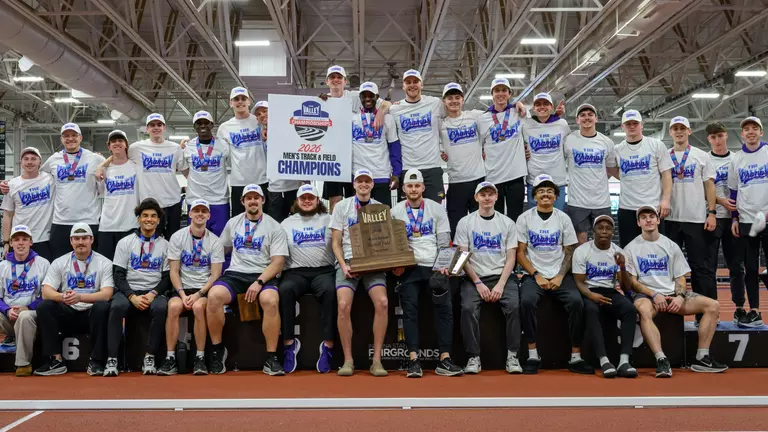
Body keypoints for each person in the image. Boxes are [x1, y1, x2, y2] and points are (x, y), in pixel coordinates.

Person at [624, 205, 728, 377]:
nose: (648, 220)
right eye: (644, 217)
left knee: (713, 305)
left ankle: (702, 357)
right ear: (638, 222)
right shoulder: (631, 248)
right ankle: (661, 359)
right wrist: (654, 295)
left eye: (652, 216)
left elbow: (680, 278)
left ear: (658, 219)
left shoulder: (670, 246)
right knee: (643, 310)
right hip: (647, 295)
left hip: (672, 294)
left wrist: (679, 296)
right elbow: (633, 282)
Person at [206, 184, 288, 375]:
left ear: (263, 200)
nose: (253, 201)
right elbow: (220, 249)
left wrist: (259, 282)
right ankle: (218, 351)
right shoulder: (233, 223)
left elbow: (278, 262)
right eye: (249, 198)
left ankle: (271, 357)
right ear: (242, 202)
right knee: (214, 296)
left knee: (270, 300)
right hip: (235, 273)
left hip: (262, 274)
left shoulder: (274, 226)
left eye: (256, 197)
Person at [391, 169, 464, 378]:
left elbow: (444, 241)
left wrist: (443, 265)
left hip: (434, 266)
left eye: (417, 186)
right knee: (410, 312)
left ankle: (445, 358)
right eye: (409, 186)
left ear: (423, 187)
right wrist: (396, 264)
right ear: (403, 189)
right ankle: (413, 360)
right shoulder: (395, 211)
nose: (413, 189)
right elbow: (393, 245)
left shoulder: (436, 209)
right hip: (409, 267)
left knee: (444, 310)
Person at [517, 174, 592, 375]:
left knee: (577, 303)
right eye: (541, 191)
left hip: (560, 273)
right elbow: (520, 252)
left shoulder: (563, 218)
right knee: (526, 302)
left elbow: (570, 251)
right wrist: (536, 274)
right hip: (534, 274)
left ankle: (576, 357)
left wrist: (559, 276)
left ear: (556, 196)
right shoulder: (524, 218)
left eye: (550, 191)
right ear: (534, 196)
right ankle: (533, 355)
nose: (545, 194)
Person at [454, 181, 521, 375]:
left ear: (496, 197)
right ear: (476, 198)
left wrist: (500, 284)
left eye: (491, 194)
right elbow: (463, 257)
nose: (487, 198)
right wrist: (478, 283)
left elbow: (511, 257)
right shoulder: (465, 222)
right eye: (483, 194)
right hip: (474, 277)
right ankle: (473, 356)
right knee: (467, 308)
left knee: (514, 306)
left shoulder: (507, 223)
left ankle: (513, 356)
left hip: (501, 276)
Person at [12, 123, 105, 258]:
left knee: (89, 262)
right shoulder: (54, 159)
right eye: (66, 136)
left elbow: (112, 168)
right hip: (61, 221)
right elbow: (35, 175)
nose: (70, 139)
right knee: (58, 262)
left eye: (74, 135)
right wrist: (11, 183)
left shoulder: (95, 158)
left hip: (89, 219)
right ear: (61, 139)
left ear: (80, 138)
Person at [330, 169, 388, 376]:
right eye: (359, 181)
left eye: (367, 181)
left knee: (382, 303)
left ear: (372, 185)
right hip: (349, 263)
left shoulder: (381, 208)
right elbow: (335, 243)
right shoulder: (342, 207)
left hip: (373, 266)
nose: (363, 184)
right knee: (343, 305)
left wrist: (378, 263)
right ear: (353, 184)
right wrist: (343, 265)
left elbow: (386, 243)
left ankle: (377, 361)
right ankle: (348, 360)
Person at [34, 223, 113, 376]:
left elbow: (107, 293)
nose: (80, 242)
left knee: (102, 306)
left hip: (91, 313)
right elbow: (46, 291)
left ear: (92, 240)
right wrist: (62, 297)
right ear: (71, 241)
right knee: (45, 306)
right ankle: (55, 359)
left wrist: (80, 297)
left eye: (84, 238)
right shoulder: (60, 262)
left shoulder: (104, 263)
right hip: (68, 311)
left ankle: (96, 361)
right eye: (76, 238)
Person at [157, 199, 224, 376]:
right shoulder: (178, 237)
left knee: (198, 307)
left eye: (204, 211)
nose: (200, 214)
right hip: (182, 288)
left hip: (203, 288)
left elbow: (216, 274)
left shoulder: (215, 241)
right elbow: (173, 271)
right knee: (173, 307)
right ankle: (170, 357)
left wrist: (199, 293)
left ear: (209, 215)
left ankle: (199, 357)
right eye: (196, 210)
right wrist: (181, 293)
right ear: (190, 214)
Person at [105, 198, 171, 377]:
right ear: (139, 219)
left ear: (158, 220)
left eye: (153, 216)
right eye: (145, 216)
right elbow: (118, 275)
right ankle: (112, 358)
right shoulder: (125, 242)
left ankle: (149, 356)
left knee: (161, 307)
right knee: (116, 307)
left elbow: (167, 278)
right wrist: (131, 296)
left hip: (153, 291)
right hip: (129, 290)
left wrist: (153, 294)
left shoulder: (166, 246)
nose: (149, 219)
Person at [665, 116, 718, 324]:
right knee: (670, 269)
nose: (678, 132)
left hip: (696, 219)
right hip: (670, 219)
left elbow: (709, 186)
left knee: (700, 268)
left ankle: (705, 314)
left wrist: (711, 212)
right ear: (670, 132)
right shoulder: (664, 155)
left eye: (682, 128)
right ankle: (670, 314)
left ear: (689, 131)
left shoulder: (701, 156)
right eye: (675, 128)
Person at [278, 185, 336, 373]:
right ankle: (289, 345)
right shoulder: (286, 223)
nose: (307, 201)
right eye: (303, 198)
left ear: (318, 200)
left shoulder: (329, 219)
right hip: (296, 272)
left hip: (323, 271)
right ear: (297, 202)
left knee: (331, 291)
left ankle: (327, 346)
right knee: (284, 290)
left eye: (311, 197)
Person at [572, 215, 638, 378]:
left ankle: (624, 360)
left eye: (608, 228)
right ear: (593, 231)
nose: (604, 231)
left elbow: (626, 287)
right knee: (591, 311)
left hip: (609, 291)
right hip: (589, 290)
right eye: (600, 228)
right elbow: (579, 282)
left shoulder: (619, 253)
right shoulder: (582, 251)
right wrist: (591, 296)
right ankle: (604, 360)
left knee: (629, 309)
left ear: (612, 232)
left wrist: (622, 267)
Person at [318, 65, 390, 210]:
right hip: (333, 159)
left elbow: (386, 103)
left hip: (352, 162)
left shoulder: (355, 96)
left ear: (345, 81)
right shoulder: (322, 100)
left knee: (353, 203)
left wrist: (381, 112)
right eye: (332, 77)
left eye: (339, 77)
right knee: (335, 201)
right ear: (327, 81)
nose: (336, 80)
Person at [728, 116, 768, 327]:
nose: (750, 132)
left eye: (755, 128)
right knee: (751, 268)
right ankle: (754, 311)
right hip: (746, 220)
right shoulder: (736, 159)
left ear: (761, 132)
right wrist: (734, 218)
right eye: (746, 129)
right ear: (742, 134)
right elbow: (733, 191)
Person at [614, 110, 673, 247]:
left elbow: (666, 174)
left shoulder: (656, 145)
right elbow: (612, 171)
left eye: (635, 123)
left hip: (652, 206)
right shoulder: (618, 149)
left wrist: (665, 200)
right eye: (628, 124)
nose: (632, 126)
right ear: (622, 126)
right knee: (628, 249)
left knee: (656, 248)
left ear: (642, 125)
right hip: (627, 207)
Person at [705, 123, 745, 325]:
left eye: (720, 136)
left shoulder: (737, 158)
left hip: (734, 219)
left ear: (726, 136)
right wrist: (720, 201)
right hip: (713, 216)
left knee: (736, 266)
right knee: (709, 268)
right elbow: (701, 188)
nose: (717, 140)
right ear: (708, 140)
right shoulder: (705, 159)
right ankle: (712, 310)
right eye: (713, 137)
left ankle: (739, 307)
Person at [388, 69, 446, 203]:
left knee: (435, 210)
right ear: (403, 86)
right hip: (408, 167)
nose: (412, 85)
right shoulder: (395, 109)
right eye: (408, 82)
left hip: (432, 167)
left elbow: (454, 117)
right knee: (407, 215)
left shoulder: (435, 103)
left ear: (421, 85)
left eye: (415, 82)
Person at [563, 104, 618, 244]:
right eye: (582, 115)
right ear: (577, 120)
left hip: (601, 202)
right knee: (579, 243)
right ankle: (581, 267)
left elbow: (611, 170)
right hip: (577, 201)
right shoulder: (569, 140)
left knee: (603, 241)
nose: (586, 117)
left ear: (596, 118)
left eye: (590, 114)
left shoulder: (607, 142)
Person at [0, 225, 51, 376]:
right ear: (11, 243)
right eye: (16, 240)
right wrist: (7, 310)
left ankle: (23, 364)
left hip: (33, 316)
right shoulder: (2, 266)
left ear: (31, 242)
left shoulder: (43, 264)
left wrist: (28, 307)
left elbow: (47, 295)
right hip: (8, 315)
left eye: (24, 239)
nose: (20, 243)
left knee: (25, 317)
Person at [439, 83, 486, 236]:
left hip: (477, 179)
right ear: (444, 101)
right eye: (450, 98)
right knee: (456, 228)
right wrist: (440, 151)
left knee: (479, 227)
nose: (454, 101)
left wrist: (517, 104)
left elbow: (497, 113)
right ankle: (458, 258)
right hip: (455, 181)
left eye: (457, 97)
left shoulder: (475, 116)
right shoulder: (441, 124)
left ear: (463, 99)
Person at [478, 78, 527, 221]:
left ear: (509, 94)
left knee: (515, 218)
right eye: (497, 90)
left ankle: (514, 244)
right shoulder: (483, 118)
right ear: (492, 94)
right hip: (493, 176)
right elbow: (478, 145)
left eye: (504, 90)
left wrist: (518, 104)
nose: (501, 94)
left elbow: (540, 120)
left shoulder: (517, 112)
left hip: (515, 175)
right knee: (495, 218)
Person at [216, 87, 269, 217]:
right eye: (236, 99)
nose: (240, 102)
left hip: (262, 180)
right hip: (238, 182)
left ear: (249, 101)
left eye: (243, 98)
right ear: (231, 103)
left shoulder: (259, 121)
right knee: (238, 222)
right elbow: (222, 156)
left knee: (264, 220)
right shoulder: (224, 127)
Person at [1, 147, 55, 261]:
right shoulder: (12, 185)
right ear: (21, 162)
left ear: (40, 161)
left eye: (33, 159)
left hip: (44, 239)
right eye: (26, 159)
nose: (29, 162)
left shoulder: (50, 179)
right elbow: (7, 215)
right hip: (20, 239)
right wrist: (6, 242)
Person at [181, 111, 230, 235]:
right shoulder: (188, 147)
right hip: (195, 201)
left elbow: (231, 167)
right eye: (199, 123)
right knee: (196, 239)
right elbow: (186, 171)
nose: (202, 126)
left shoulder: (223, 145)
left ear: (212, 125)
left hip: (219, 201)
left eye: (206, 123)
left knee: (221, 239)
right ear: (194, 127)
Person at [522, 92, 571, 210]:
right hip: (534, 182)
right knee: (535, 220)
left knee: (558, 219)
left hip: (557, 182)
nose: (542, 107)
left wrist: (556, 116)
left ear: (551, 107)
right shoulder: (526, 124)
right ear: (534, 108)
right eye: (538, 104)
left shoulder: (562, 124)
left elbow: (568, 146)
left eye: (545, 104)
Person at [96, 130, 139, 260]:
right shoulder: (104, 170)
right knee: (106, 265)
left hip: (131, 225)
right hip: (107, 226)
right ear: (109, 146)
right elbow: (101, 192)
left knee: (128, 265)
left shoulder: (136, 166)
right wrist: (101, 166)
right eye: (113, 141)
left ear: (126, 144)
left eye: (120, 141)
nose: (117, 143)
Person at [257, 101, 303, 222]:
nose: (262, 114)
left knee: (297, 223)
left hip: (293, 186)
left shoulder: (288, 128)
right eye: (258, 114)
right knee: (275, 225)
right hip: (274, 188)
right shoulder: (261, 135)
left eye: (265, 111)